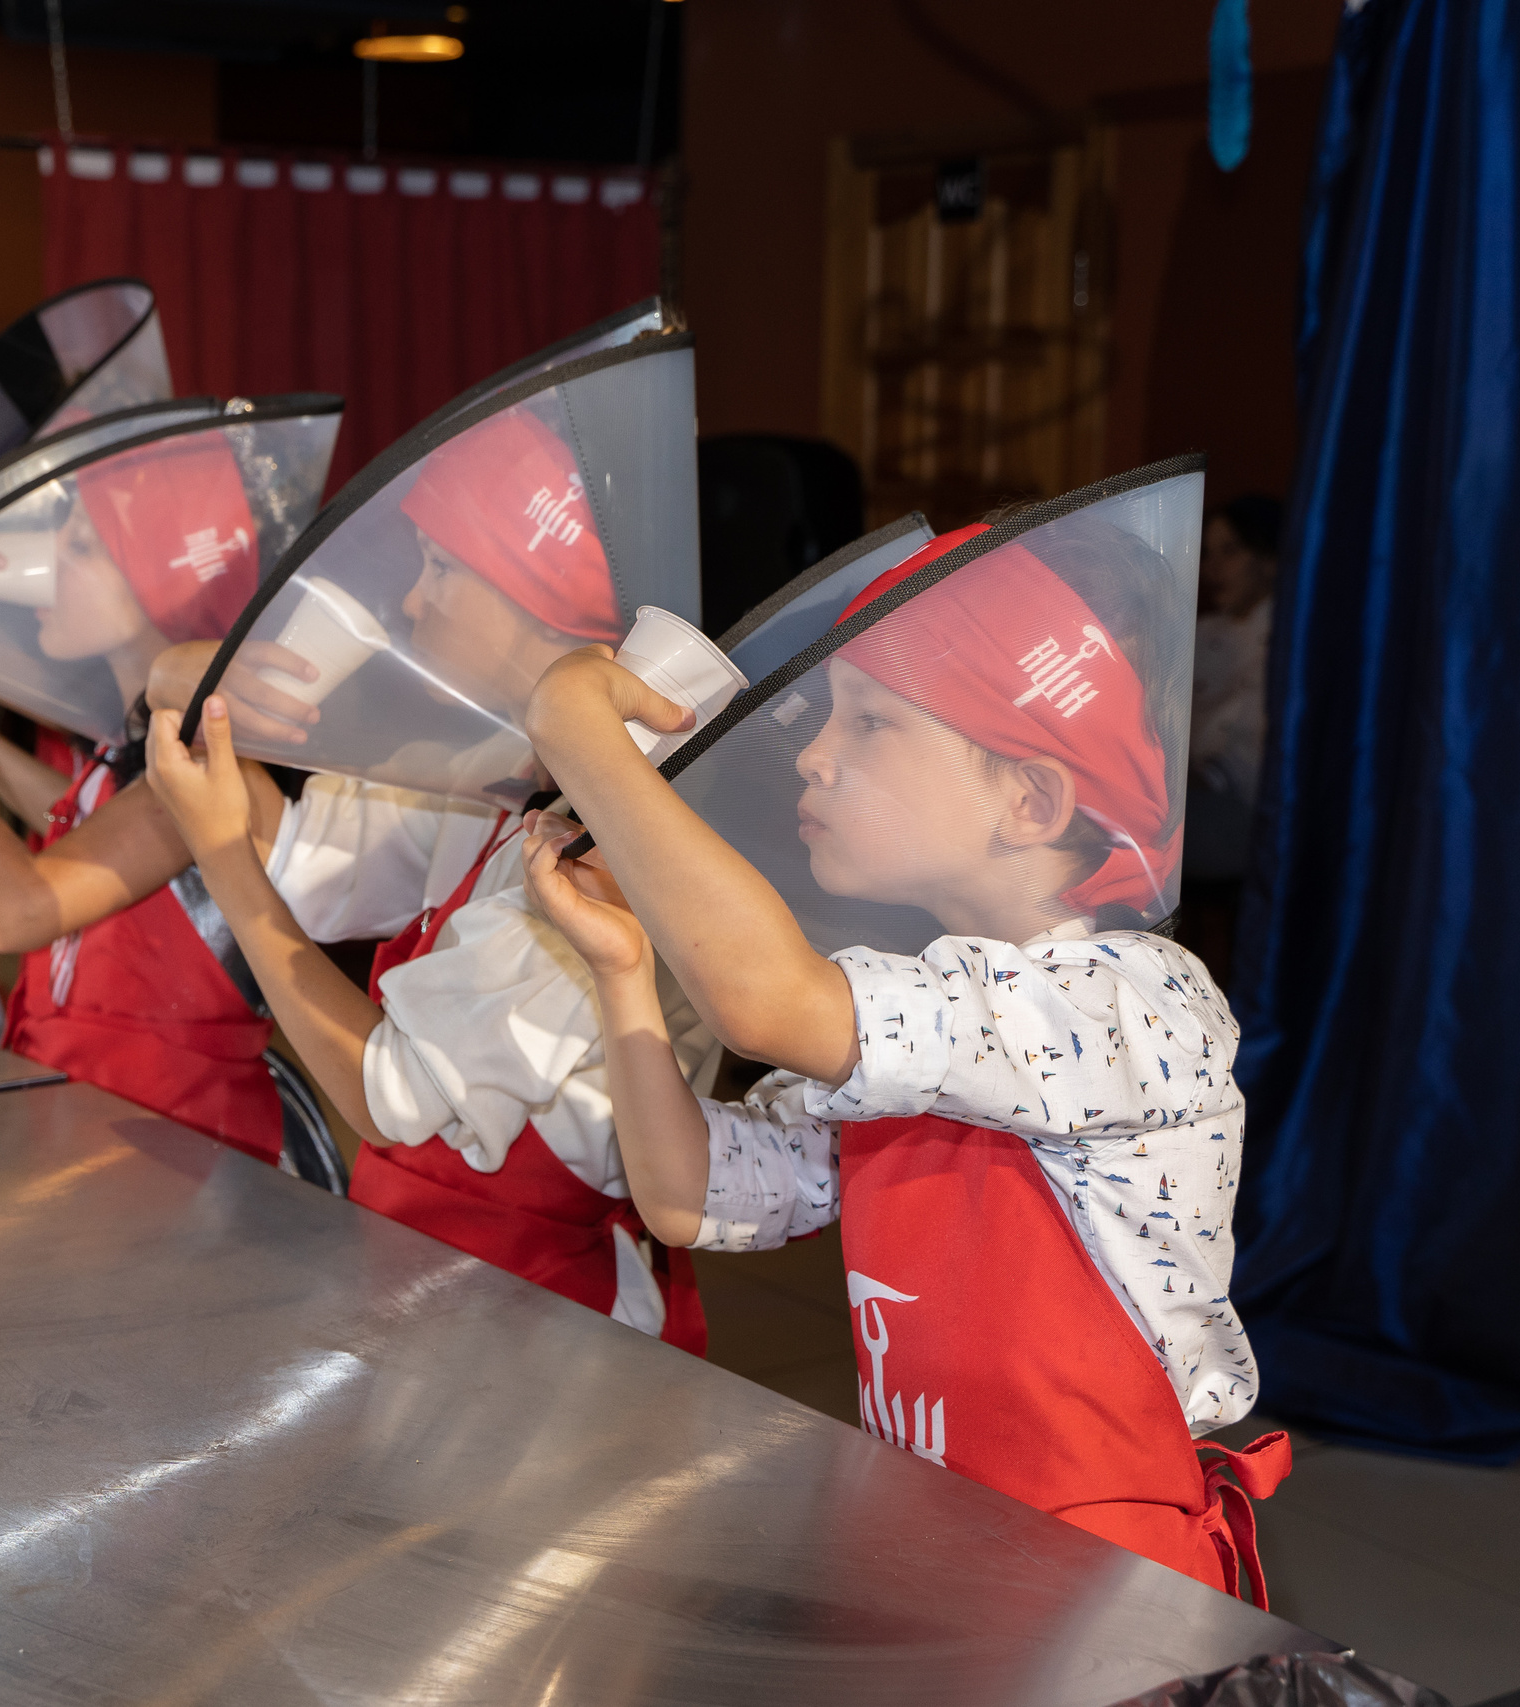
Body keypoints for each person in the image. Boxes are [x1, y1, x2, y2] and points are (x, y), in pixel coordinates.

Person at [518, 499, 1292, 1602]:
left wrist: (584, 737)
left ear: (1029, 797)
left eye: (871, 722)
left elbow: (762, 1002)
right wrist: (621, 973)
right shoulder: (917, 1012)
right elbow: (691, 1193)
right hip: (939, 1548)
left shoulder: (1131, 1002)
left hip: (1100, 1584)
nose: (814, 757)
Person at [143, 408, 716, 1351]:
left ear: (539, 599)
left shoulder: (604, 839)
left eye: (441, 569)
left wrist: (222, 863)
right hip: (424, 1288)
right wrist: (188, 688)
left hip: (552, 1340)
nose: (412, 602)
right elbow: (309, 858)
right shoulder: (498, 761)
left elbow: (387, 1095)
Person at [0, 431, 310, 1166]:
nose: (47, 571)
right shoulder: (124, 744)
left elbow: (15, 911)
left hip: (179, 1156)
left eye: (80, 548)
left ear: (162, 584)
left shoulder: (204, 763)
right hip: (94, 1131)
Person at [1186, 494, 1280, 883]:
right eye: (1208, 554)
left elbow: (1253, 757)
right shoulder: (1200, 634)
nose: (1213, 568)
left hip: (1252, 812)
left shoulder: (1289, 640)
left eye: (1230, 551)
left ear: (1268, 559)